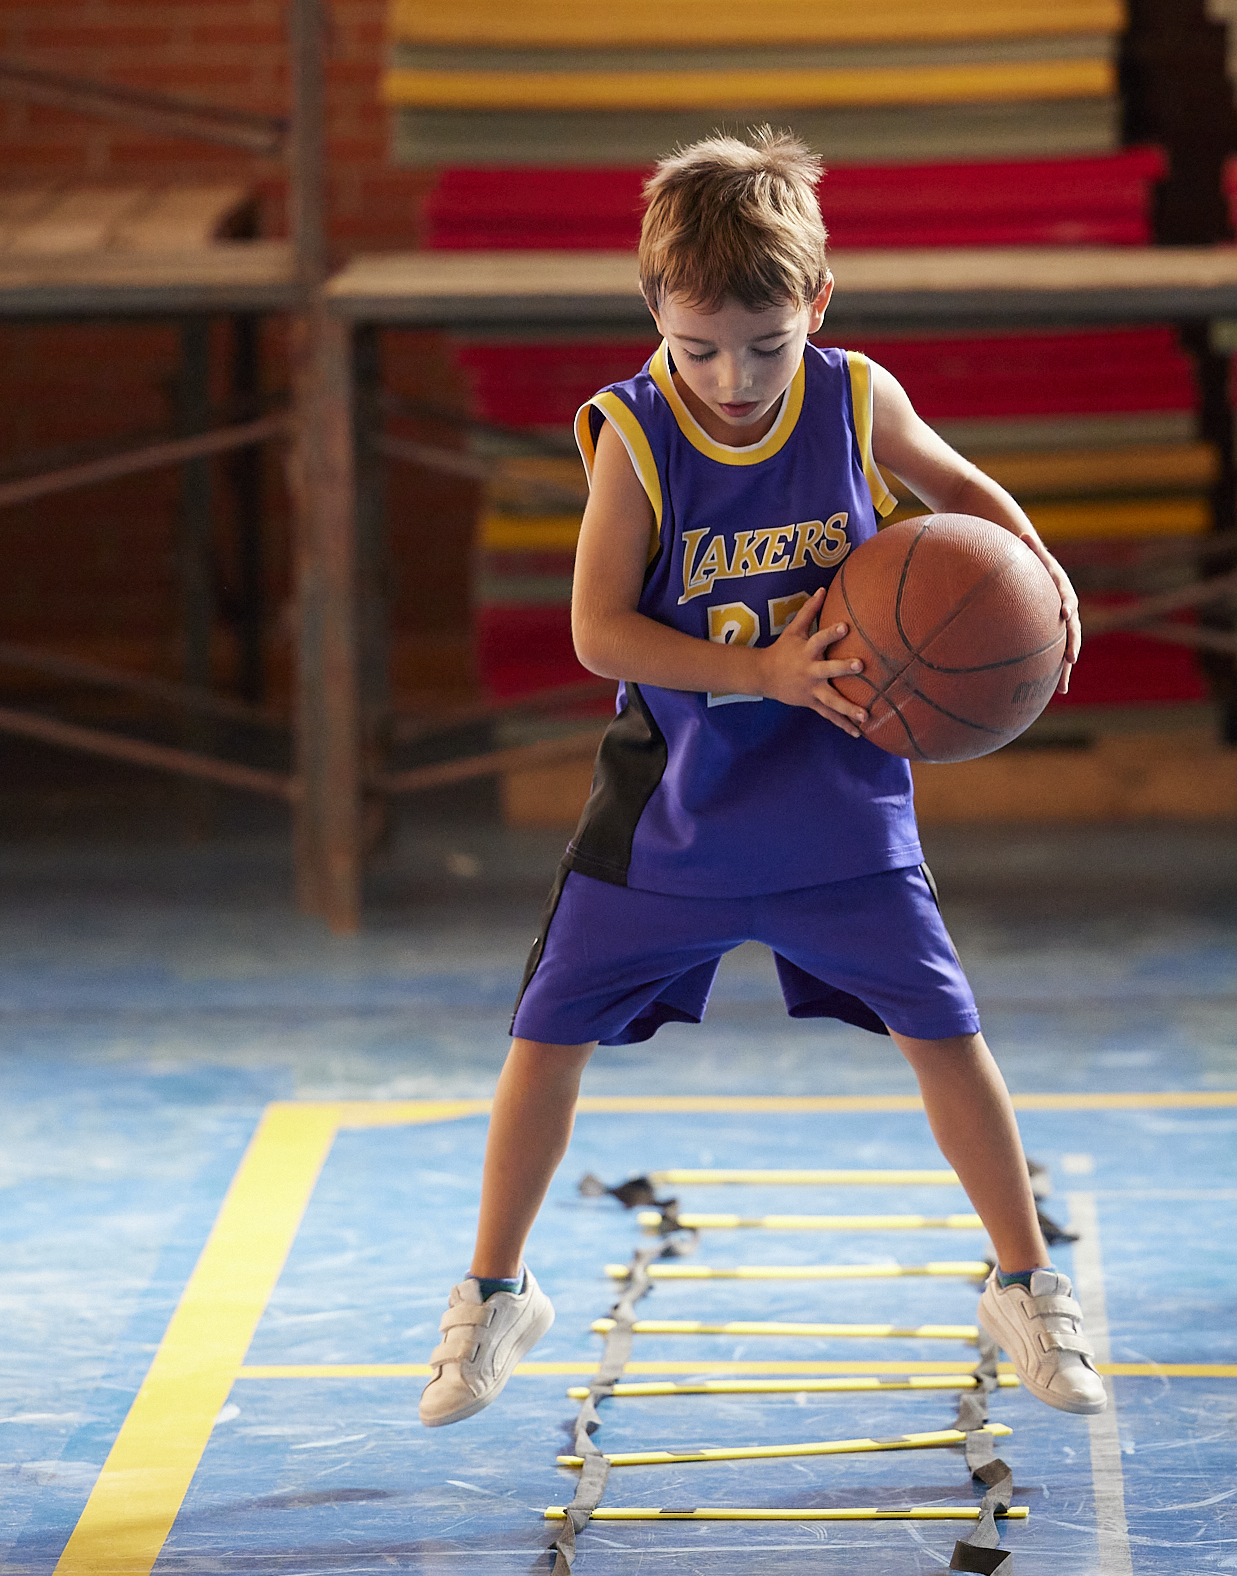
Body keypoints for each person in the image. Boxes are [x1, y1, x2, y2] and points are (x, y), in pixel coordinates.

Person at [420, 128, 1106, 1428]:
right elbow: (598, 634)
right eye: (698, 349)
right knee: (543, 1041)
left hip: (837, 812)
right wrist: (765, 675)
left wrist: (1040, 575)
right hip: (671, 814)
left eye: (764, 346)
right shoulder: (635, 436)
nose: (732, 378)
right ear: (655, 315)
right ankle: (496, 1291)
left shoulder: (854, 400)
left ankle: (1023, 1283)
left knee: (947, 1036)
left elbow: (964, 491)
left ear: (817, 306)